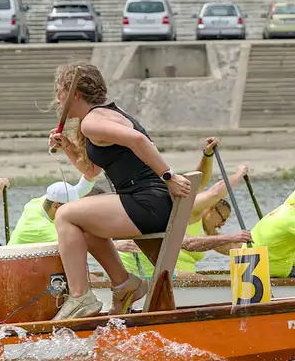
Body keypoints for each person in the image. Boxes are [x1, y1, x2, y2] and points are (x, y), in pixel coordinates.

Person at [48, 62, 192, 319]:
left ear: (75, 95)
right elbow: (91, 172)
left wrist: (169, 176)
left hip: (147, 202)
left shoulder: (92, 123)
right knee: (82, 223)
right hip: (146, 201)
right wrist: (69, 147)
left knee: (65, 215)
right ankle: (124, 284)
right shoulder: (100, 116)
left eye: (59, 93)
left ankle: (80, 298)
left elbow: (138, 140)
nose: (57, 101)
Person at [117, 138, 251, 277]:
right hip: (148, 273)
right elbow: (215, 193)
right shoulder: (188, 209)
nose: (222, 224)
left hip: (167, 273)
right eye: (223, 218)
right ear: (211, 208)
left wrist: (207, 155)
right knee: (204, 280)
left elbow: (199, 180)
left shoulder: (203, 226)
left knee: (205, 279)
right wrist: (240, 173)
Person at [8, 176, 96, 245]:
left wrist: (93, 167)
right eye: (70, 208)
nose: (73, 212)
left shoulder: (38, 203)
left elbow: (82, 187)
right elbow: (75, 243)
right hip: (11, 266)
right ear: (56, 206)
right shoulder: (41, 228)